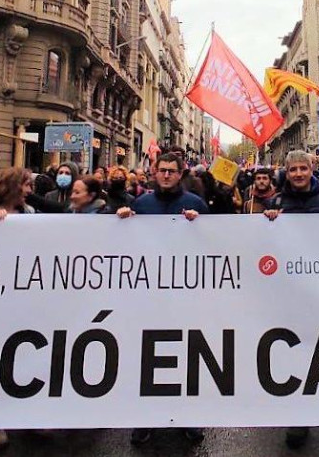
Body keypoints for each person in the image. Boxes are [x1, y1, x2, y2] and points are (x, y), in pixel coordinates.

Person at [263, 151, 319, 457]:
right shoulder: (275, 203)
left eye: (304, 168)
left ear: (312, 170)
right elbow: (265, 247)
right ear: (286, 173)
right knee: (296, 357)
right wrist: (267, 223)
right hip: (292, 295)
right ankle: (299, 420)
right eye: (294, 170)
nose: (299, 174)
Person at [115, 152, 206, 446]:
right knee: (146, 358)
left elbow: (215, 245)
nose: (166, 175)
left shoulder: (195, 205)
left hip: (186, 298)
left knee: (186, 358)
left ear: (181, 174)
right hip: (149, 297)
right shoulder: (140, 204)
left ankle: (187, 417)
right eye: (162, 171)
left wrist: (201, 224)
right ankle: (146, 418)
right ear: (154, 172)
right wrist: (121, 221)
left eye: (172, 171)